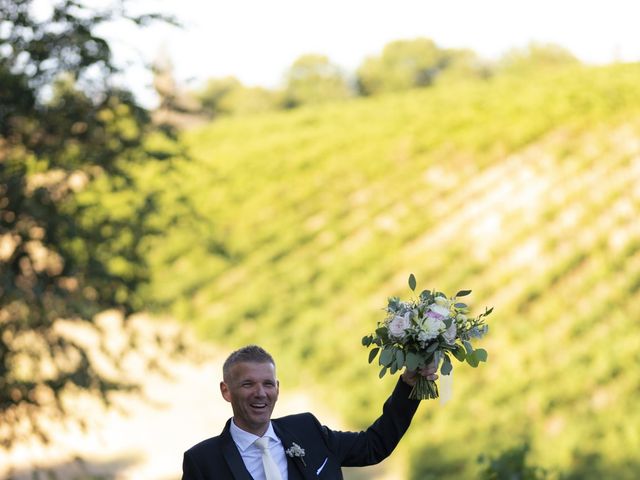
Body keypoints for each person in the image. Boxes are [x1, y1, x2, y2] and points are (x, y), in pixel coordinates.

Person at [181, 345, 437, 480]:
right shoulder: (202, 461)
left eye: (268, 384)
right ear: (226, 391)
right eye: (248, 384)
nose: (260, 393)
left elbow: (374, 445)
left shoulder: (307, 430)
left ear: (277, 389)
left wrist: (409, 386)